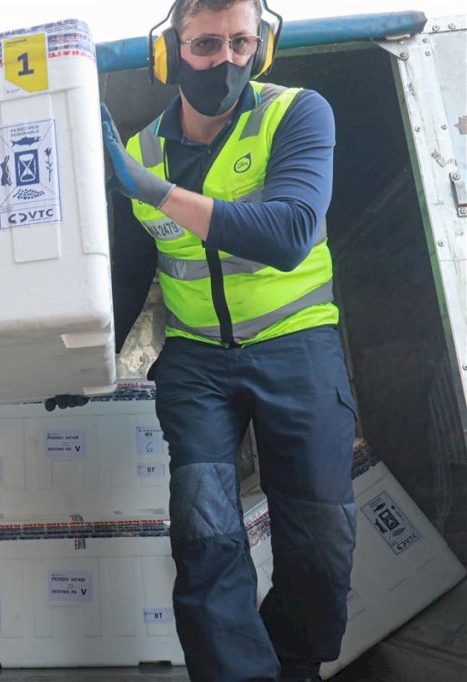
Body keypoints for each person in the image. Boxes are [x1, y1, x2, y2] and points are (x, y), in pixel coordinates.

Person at [101, 1, 357, 680]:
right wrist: (88, 359)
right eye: (207, 44)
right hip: (195, 363)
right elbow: (131, 271)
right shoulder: (140, 151)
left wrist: (155, 191)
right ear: (169, 53)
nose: (227, 61)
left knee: (321, 544)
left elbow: (288, 231)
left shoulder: (297, 113)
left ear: (264, 45)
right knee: (206, 534)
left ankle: (292, 664)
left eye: (242, 42)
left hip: (298, 344)